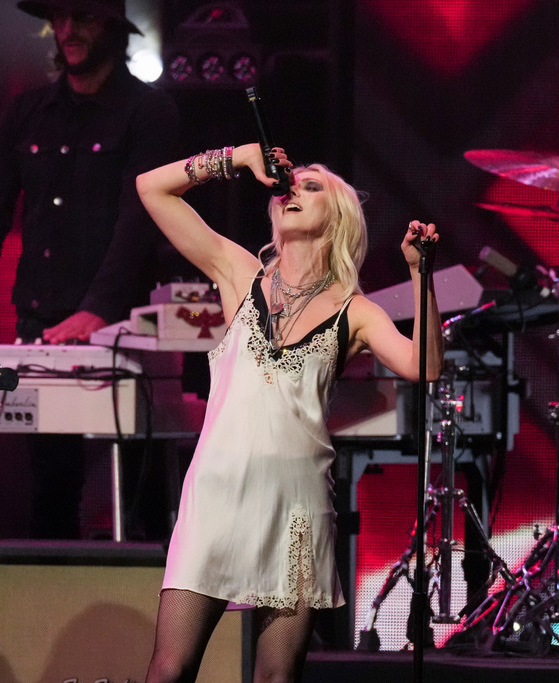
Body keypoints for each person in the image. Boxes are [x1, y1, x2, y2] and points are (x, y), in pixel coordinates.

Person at [136, 144, 443, 682]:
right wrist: (236, 158)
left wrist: (421, 277)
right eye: (291, 183)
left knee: (276, 677)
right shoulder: (239, 273)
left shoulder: (357, 311)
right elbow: (151, 187)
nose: (294, 189)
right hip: (216, 495)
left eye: (312, 186)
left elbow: (424, 366)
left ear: (340, 216)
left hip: (296, 509)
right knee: (169, 668)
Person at [0, 0, 179, 539]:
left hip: (123, 326)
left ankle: (161, 608)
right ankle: (48, 608)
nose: (67, 31)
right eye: (60, 19)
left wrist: (99, 310)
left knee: (139, 484)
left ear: (112, 26)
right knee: (50, 482)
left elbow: (139, 220)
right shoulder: (28, 112)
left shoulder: (149, 112)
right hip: (41, 319)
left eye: (82, 18)